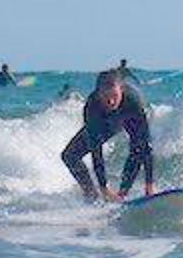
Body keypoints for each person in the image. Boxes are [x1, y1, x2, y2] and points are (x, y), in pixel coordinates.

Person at [61, 69, 155, 202]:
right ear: (99, 94)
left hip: (130, 115)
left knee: (139, 148)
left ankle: (122, 194)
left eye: (115, 96)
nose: (111, 102)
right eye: (106, 97)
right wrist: (103, 186)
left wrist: (149, 184)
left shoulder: (134, 101)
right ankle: (91, 193)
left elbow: (146, 145)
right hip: (105, 122)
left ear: (121, 90)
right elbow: (95, 148)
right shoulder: (92, 106)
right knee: (69, 155)